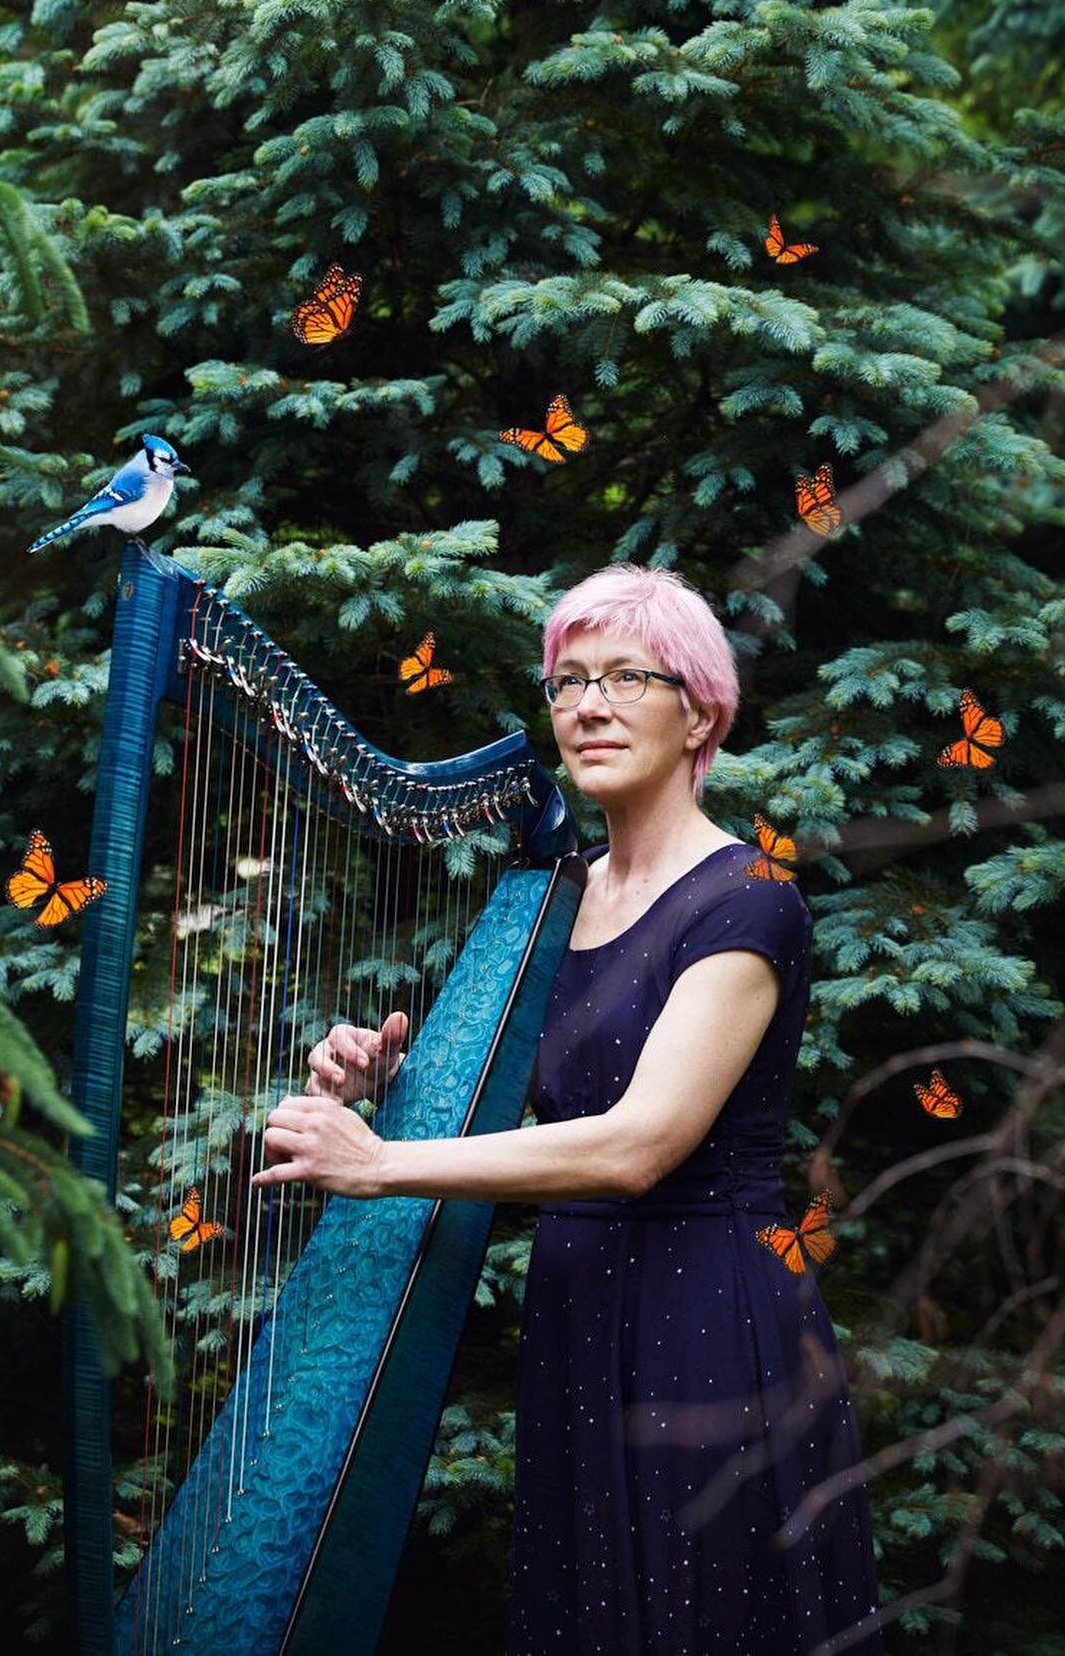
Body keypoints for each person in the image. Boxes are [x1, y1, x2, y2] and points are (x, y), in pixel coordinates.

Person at [251, 564, 884, 1654]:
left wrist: (379, 1163)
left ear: (701, 711)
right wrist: (383, 1086)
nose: (588, 706)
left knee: (705, 1613)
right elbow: (545, 1095)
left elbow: (639, 1142)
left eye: (627, 677)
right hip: (583, 1306)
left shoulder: (750, 899)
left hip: (712, 1315)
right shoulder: (556, 893)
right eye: (566, 682)